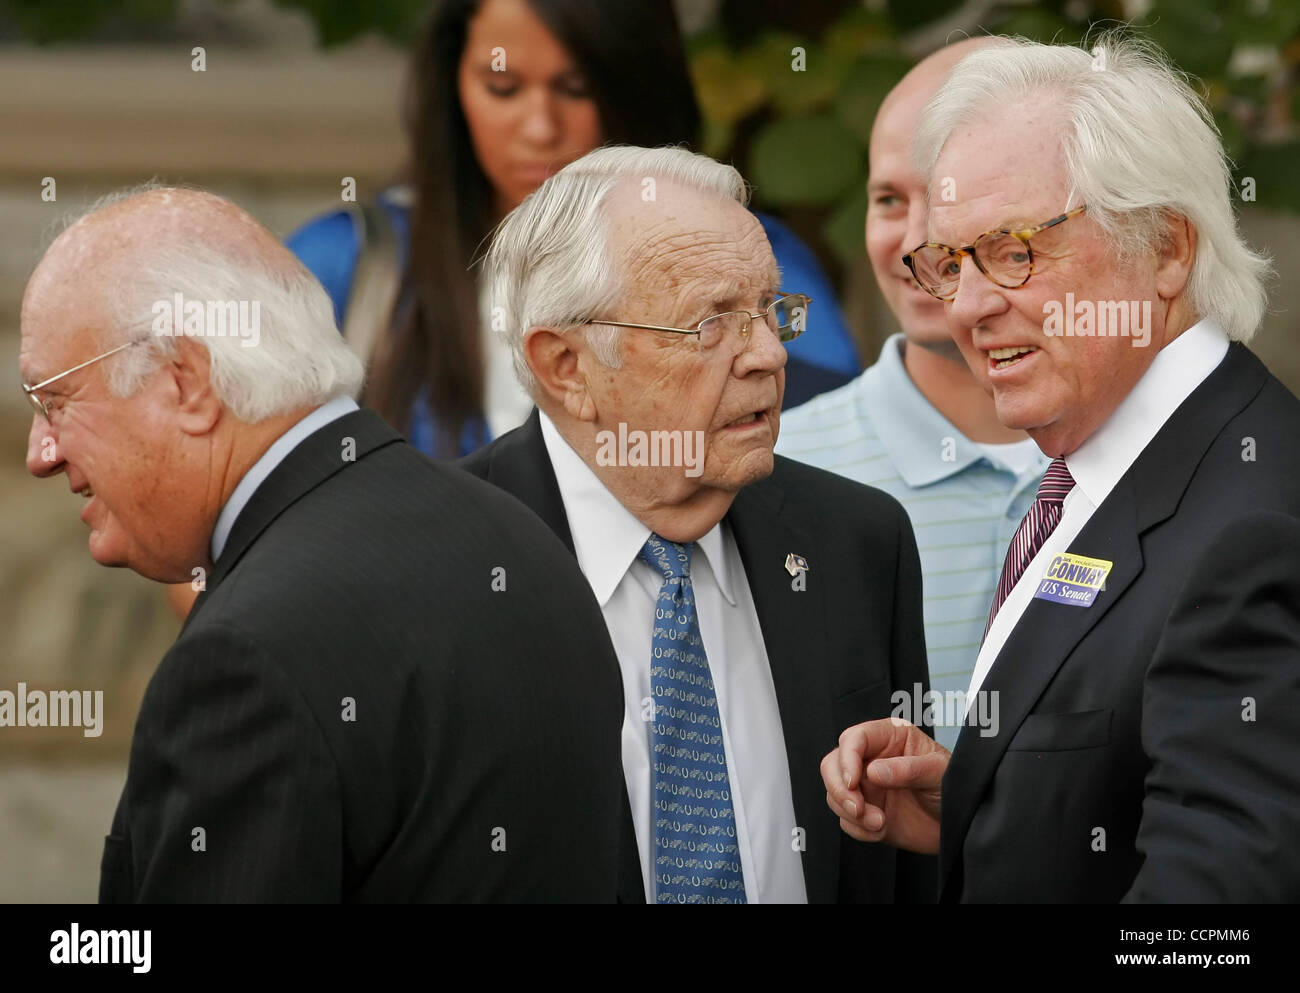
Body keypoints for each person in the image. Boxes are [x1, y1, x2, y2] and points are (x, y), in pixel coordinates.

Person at [20, 186, 625, 902]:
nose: (41, 452)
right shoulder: (519, 537)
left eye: (56, 402)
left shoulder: (244, 659)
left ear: (184, 383)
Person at [822, 33, 1300, 902]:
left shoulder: (1256, 526)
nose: (964, 307)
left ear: (1164, 248)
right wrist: (986, 793)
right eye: (949, 262)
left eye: (1014, 252)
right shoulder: (1112, 468)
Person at [460, 145, 934, 903]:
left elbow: (907, 863)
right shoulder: (438, 571)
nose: (770, 355)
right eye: (711, 323)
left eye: (771, 311)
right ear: (566, 366)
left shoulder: (856, 543)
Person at [288, 0, 860, 460]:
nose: (540, 128)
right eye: (504, 87)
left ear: (633, 86)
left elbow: (829, 460)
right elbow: (226, 495)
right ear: (452, 86)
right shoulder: (352, 260)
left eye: (576, 87)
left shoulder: (752, 258)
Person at [776, 37, 1049, 749]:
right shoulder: (776, 467)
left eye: (958, 198)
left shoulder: (1139, 457)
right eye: (890, 198)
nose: (919, 239)